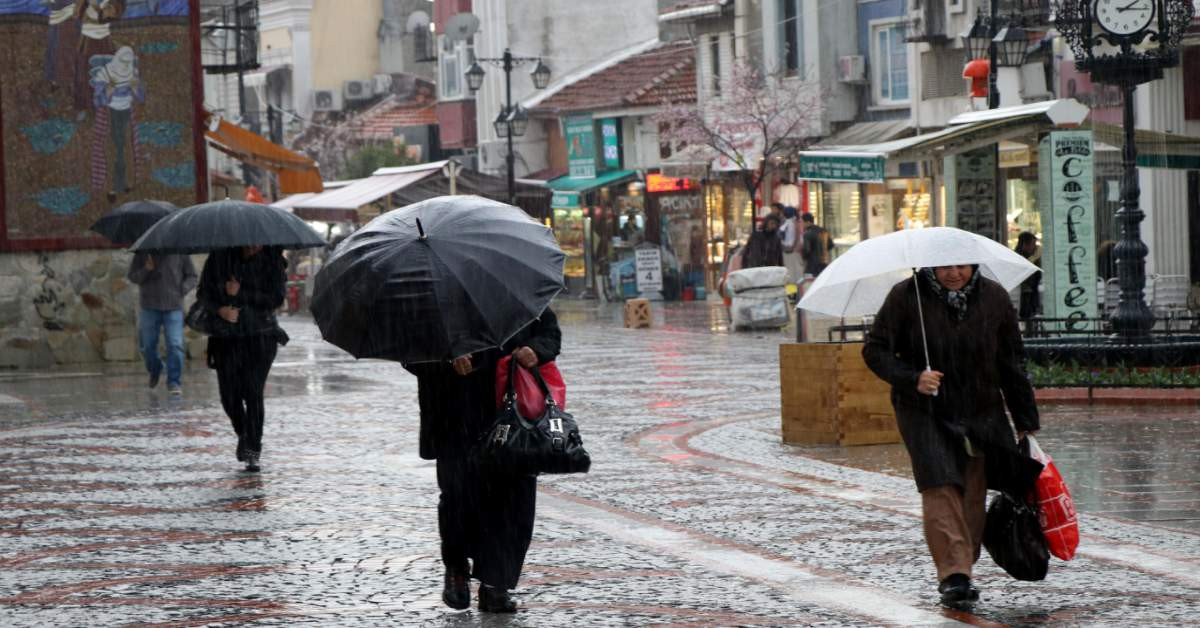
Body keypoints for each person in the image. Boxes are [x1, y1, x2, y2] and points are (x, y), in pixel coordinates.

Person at [862, 265, 1043, 607]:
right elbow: (875, 350)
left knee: (972, 488)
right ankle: (955, 575)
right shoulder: (906, 295)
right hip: (924, 410)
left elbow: (1011, 361)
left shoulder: (994, 297)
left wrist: (1024, 418)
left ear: (974, 265)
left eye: (962, 266)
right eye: (946, 266)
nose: (954, 273)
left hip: (980, 407)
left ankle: (963, 561)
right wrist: (913, 376)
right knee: (939, 483)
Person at [405, 309, 562, 613]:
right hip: (455, 417)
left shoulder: (514, 286)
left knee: (514, 499)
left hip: (512, 412)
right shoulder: (430, 296)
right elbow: (411, 351)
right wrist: (446, 359)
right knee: (458, 498)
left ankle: (496, 584)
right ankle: (456, 570)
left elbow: (550, 334)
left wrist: (536, 350)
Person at [195, 245, 289, 472]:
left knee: (253, 392)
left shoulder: (272, 260)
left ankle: (253, 450)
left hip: (261, 335)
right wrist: (221, 309)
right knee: (229, 396)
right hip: (227, 337)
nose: (253, 246)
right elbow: (203, 293)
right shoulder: (219, 256)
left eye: (258, 241)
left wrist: (240, 294)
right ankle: (244, 433)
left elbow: (276, 299)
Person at [127, 251, 197, 396]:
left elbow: (192, 276)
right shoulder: (143, 252)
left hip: (173, 307)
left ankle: (174, 381)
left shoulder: (179, 250)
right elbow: (133, 276)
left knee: (176, 344)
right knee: (147, 346)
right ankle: (156, 369)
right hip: (149, 306)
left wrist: (181, 290)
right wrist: (147, 269)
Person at [1014, 232, 1041, 320]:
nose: (1034, 247)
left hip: (1032, 293)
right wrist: (1035, 257)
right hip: (1023, 294)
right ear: (1025, 244)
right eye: (1032, 244)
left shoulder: (1033, 256)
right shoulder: (1018, 256)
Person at [800, 213, 833, 277]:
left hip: (812, 264)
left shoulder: (807, 234)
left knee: (811, 282)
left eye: (802, 222)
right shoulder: (823, 231)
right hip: (824, 262)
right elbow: (830, 245)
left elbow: (807, 250)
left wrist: (803, 257)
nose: (802, 225)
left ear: (807, 222)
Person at [779, 206, 804, 282]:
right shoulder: (794, 222)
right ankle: (796, 291)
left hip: (790, 251)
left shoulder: (790, 223)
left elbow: (796, 236)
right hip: (791, 250)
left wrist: (792, 247)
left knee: (791, 273)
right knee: (794, 272)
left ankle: (793, 291)